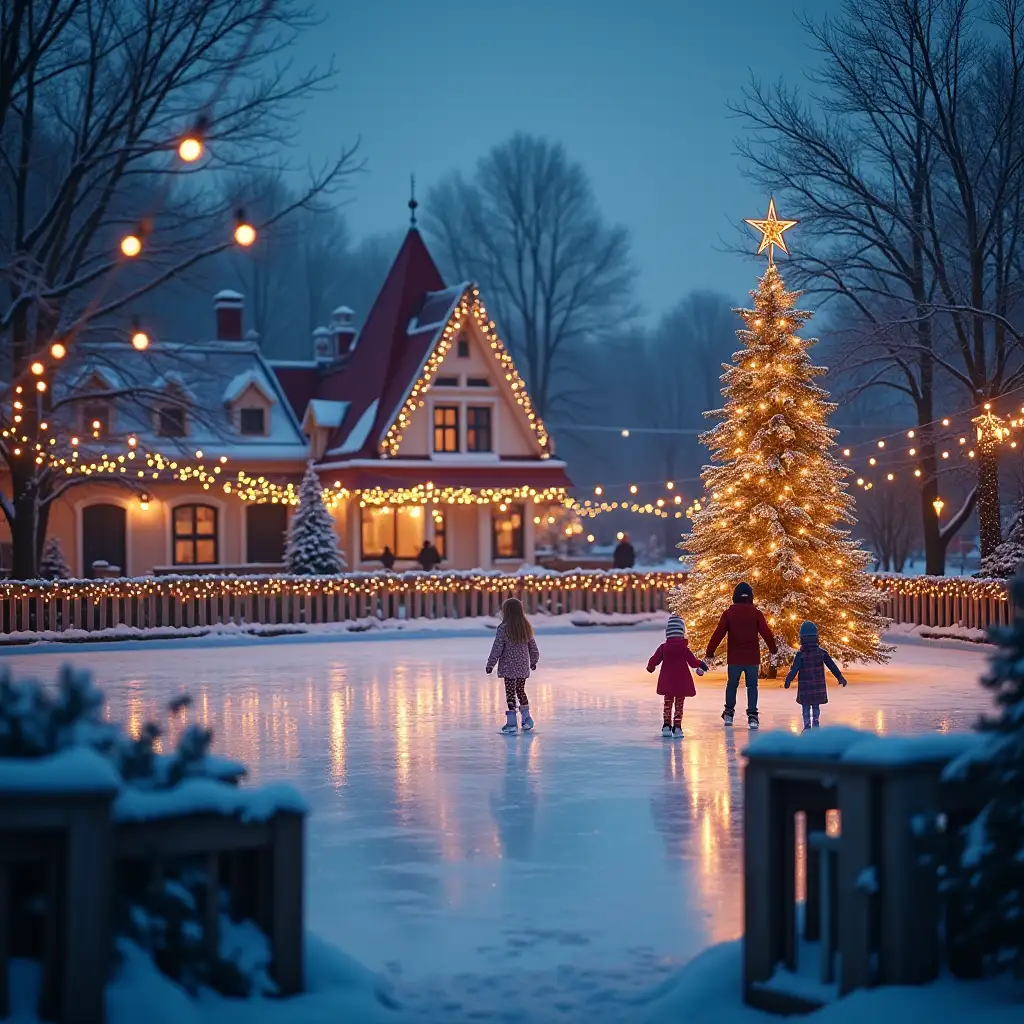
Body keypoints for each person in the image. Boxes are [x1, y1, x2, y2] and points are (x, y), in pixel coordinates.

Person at [705, 581, 777, 730]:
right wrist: (773, 648)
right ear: (750, 597)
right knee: (752, 686)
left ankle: (729, 713)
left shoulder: (729, 614)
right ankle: (752, 716)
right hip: (752, 659)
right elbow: (766, 632)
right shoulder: (756, 613)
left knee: (732, 684)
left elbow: (718, 633)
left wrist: (710, 651)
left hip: (735, 659)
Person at [485, 597, 540, 734]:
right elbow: (533, 648)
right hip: (522, 667)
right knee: (520, 690)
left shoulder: (503, 629)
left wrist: (490, 664)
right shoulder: (525, 628)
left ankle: (512, 723)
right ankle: (526, 720)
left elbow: (497, 648)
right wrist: (533, 661)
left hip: (508, 668)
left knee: (510, 693)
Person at [647, 615, 708, 737]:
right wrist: (702, 664)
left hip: (667, 681)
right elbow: (692, 662)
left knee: (668, 703)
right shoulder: (684, 649)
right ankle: (677, 727)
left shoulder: (663, 648)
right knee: (679, 704)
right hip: (681, 681)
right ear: (682, 632)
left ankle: (666, 726)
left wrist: (651, 666)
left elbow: (655, 659)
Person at [785, 621, 847, 730]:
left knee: (805, 706)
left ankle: (807, 725)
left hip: (805, 687)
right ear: (816, 637)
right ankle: (816, 722)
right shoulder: (821, 653)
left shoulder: (800, 655)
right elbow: (832, 666)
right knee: (815, 705)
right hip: (818, 686)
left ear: (802, 639)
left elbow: (794, 669)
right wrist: (840, 677)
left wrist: (788, 680)